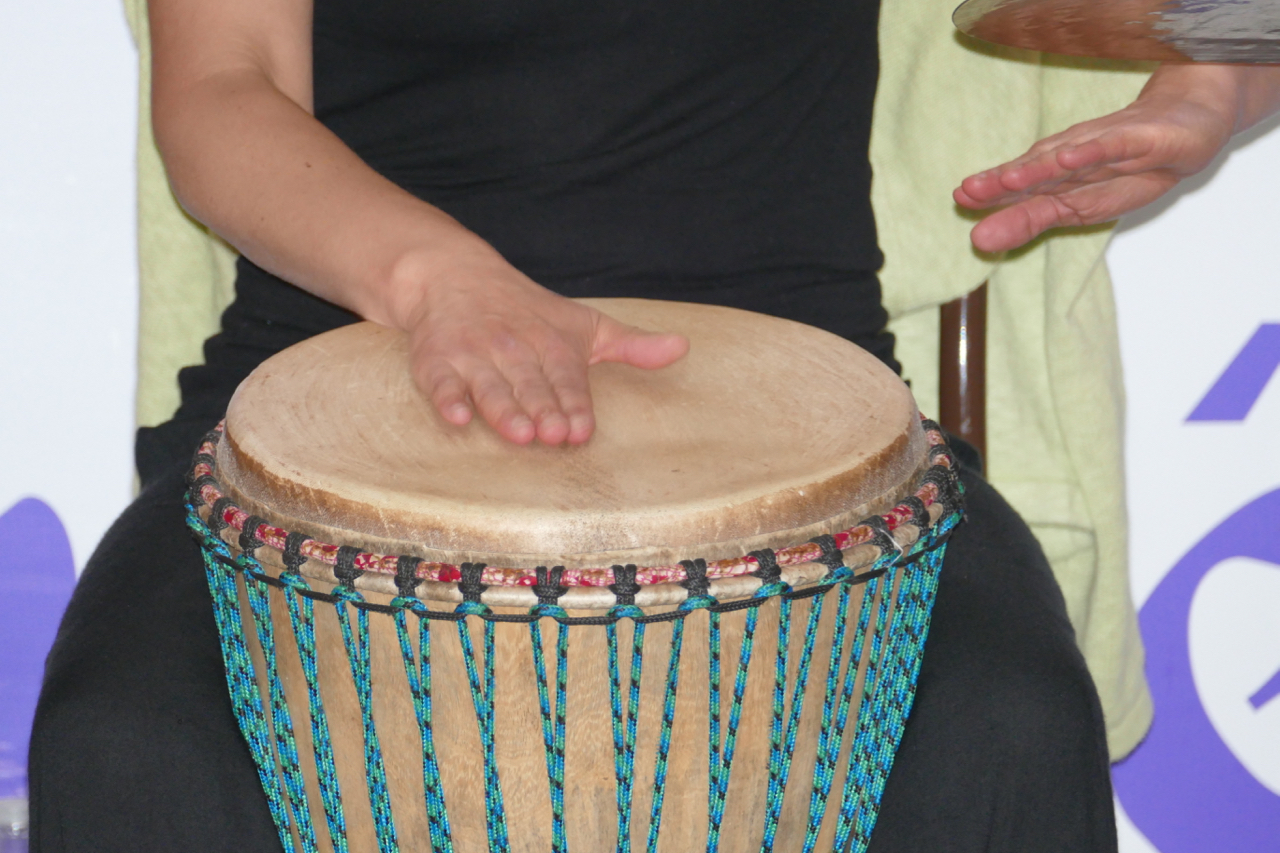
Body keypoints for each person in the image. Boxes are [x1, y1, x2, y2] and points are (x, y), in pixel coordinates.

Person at [27, 0, 1280, 846]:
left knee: (1004, 725)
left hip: (814, 433)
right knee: (129, 739)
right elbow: (221, 90)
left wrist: (1214, 88)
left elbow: (1227, 18)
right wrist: (439, 284)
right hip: (319, 406)